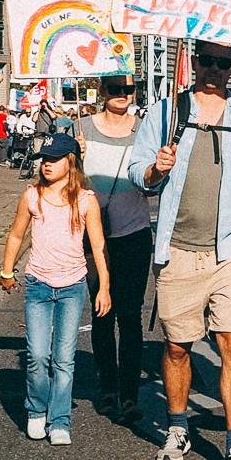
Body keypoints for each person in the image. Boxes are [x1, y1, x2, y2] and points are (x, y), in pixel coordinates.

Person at [129, 40, 231, 460]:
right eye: (207, 61)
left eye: (224, 63)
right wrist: (157, 169)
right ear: (194, 62)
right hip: (177, 250)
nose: (215, 70)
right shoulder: (165, 113)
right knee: (178, 346)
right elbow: (139, 174)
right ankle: (179, 426)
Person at [0, 133, 111, 444]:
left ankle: (60, 419)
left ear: (71, 162)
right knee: (37, 355)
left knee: (64, 358)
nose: (47, 165)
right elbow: (16, 236)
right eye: (44, 160)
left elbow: (98, 245)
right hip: (38, 284)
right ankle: (36, 410)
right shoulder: (31, 196)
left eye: (54, 159)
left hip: (72, 286)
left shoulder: (87, 201)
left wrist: (104, 286)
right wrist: (6, 270)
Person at [79, 76, 154, 423]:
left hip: (134, 233)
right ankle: (107, 388)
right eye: (115, 89)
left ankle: (130, 395)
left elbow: (154, 185)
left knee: (130, 315)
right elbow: (61, 180)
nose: (123, 96)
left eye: (129, 89)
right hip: (94, 236)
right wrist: (75, 160)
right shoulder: (81, 128)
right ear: (102, 92)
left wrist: (160, 168)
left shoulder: (145, 131)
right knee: (101, 313)